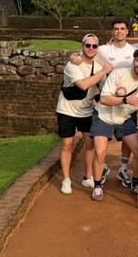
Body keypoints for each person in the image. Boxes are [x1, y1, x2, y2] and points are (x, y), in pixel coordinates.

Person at [69, 19, 136, 187]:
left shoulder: (133, 51)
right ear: (112, 32)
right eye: (116, 29)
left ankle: (123, 168)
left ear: (127, 31)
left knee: (128, 137)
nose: (119, 31)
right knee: (101, 142)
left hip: (127, 100)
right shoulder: (104, 49)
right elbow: (86, 51)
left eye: (122, 28)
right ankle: (102, 166)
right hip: (107, 99)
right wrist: (72, 56)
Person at [90, 48, 138, 201]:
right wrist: (125, 100)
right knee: (100, 153)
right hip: (103, 116)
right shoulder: (119, 74)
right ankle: (97, 185)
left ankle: (136, 182)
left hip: (123, 119)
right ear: (134, 61)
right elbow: (103, 99)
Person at [57, 34, 114, 195]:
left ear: (97, 48)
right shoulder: (73, 64)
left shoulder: (98, 66)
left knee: (90, 144)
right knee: (67, 144)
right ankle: (66, 179)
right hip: (67, 109)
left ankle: (88, 177)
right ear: (82, 46)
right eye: (87, 45)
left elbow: (105, 87)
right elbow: (83, 85)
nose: (91, 48)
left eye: (94, 46)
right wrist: (103, 71)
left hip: (86, 110)